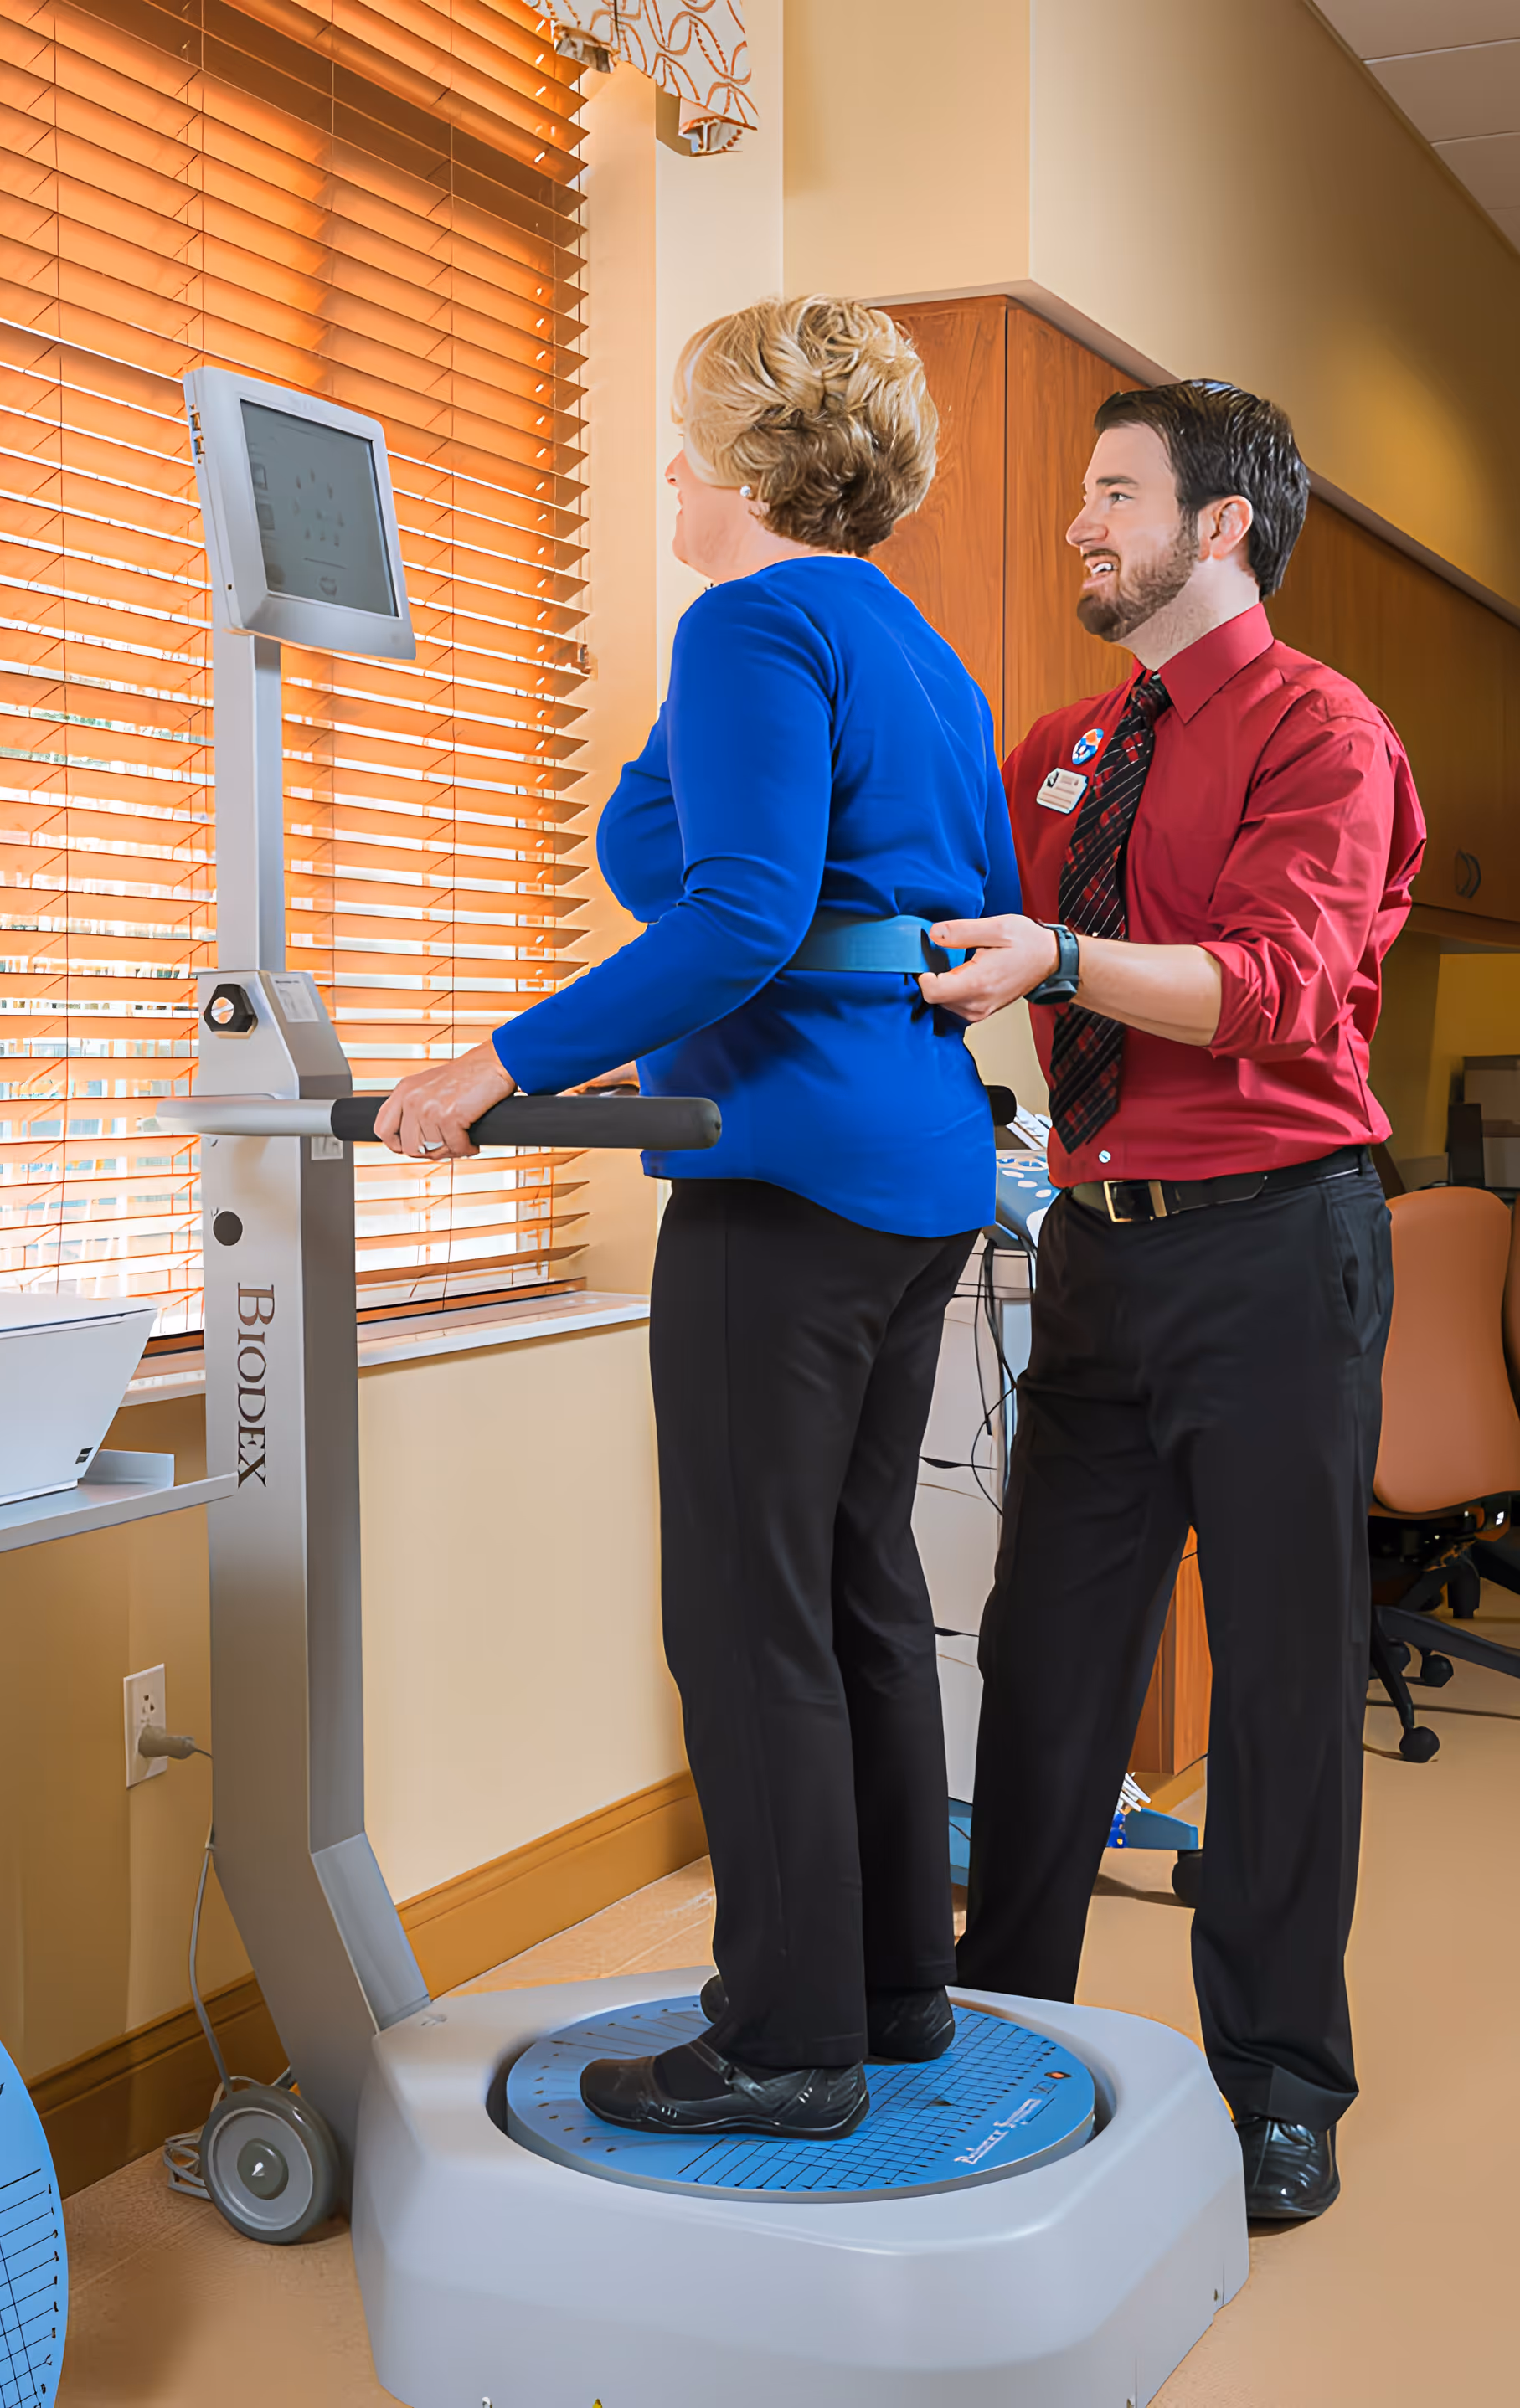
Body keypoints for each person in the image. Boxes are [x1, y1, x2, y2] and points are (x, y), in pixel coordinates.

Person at [374, 296, 1020, 2140]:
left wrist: (497, 1059)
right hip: (916, 1172)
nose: (664, 469)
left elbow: (733, 914)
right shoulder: (920, 654)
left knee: (751, 1615)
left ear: (747, 464)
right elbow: (937, 919)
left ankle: (781, 2039)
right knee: (861, 1590)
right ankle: (894, 1993)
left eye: (682, 440)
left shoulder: (749, 624)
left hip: (790, 1175)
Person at [917, 380, 1425, 2221]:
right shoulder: (1062, 743)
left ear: (1219, 526)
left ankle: (1280, 2080)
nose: (1079, 524)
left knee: (1285, 1685)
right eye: (1081, 493)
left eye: (1114, 493)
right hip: (1106, 1249)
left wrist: (1055, 957)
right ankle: (1004, 2031)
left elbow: (1277, 985)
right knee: (1049, 1674)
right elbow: (948, 910)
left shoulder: (1323, 733)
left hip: (1279, 1249)